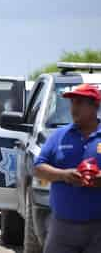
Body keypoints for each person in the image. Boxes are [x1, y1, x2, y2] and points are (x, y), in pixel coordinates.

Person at [34, 83, 101, 253]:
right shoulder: (59, 136)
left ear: (95, 105)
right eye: (72, 103)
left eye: (79, 102)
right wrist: (64, 175)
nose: (73, 108)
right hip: (62, 228)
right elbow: (38, 167)